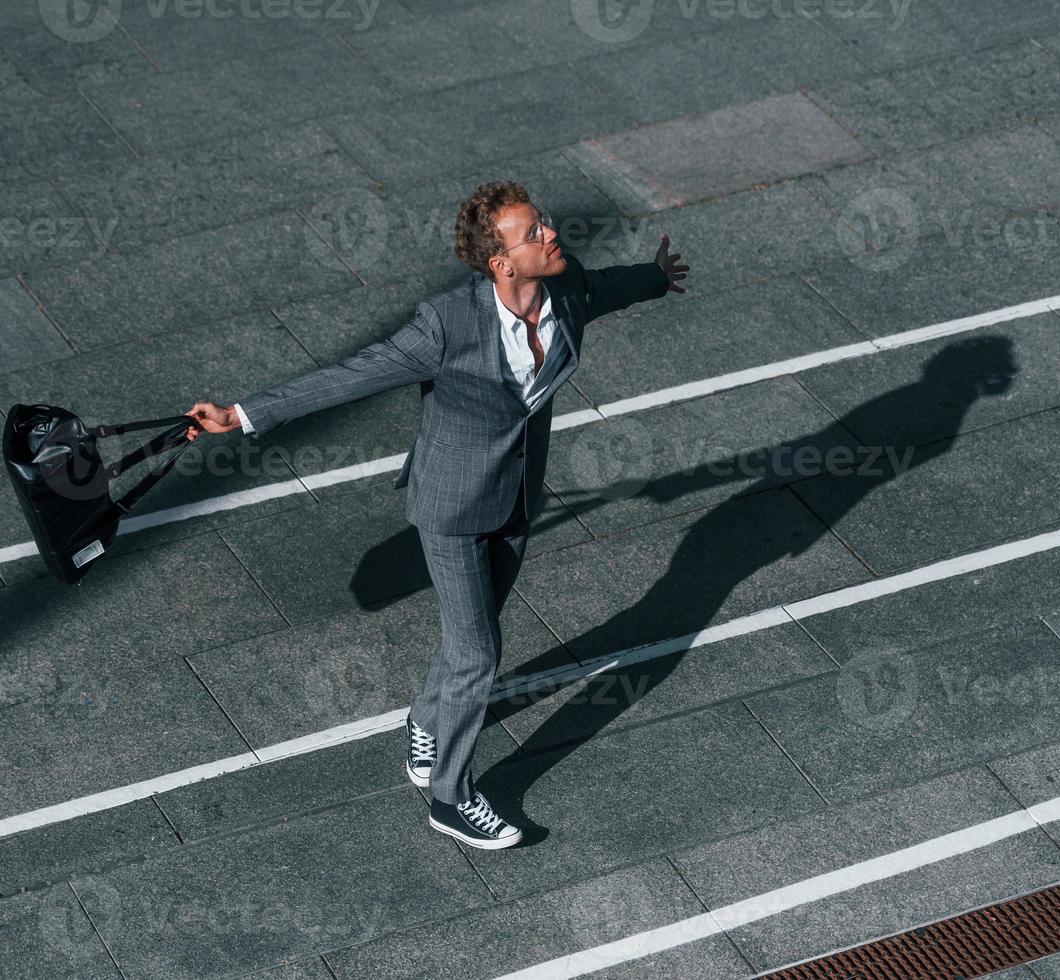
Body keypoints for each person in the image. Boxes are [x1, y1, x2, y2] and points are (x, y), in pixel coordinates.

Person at [185, 180, 688, 849]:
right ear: (501, 264)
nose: (550, 234)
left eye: (542, 223)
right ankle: (451, 796)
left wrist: (655, 277)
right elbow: (351, 375)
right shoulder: (447, 323)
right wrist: (243, 415)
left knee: (469, 637)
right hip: (451, 505)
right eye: (533, 232)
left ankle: (425, 721)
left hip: (515, 495)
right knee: (480, 653)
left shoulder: (566, 291)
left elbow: (607, 289)